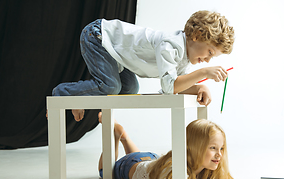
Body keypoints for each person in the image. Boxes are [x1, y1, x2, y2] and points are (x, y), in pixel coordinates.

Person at [52, 10, 235, 122]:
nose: (209, 60)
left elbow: (174, 87)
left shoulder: (184, 58)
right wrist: (203, 73)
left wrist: (199, 87)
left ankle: (81, 95)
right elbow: (170, 86)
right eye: (210, 52)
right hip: (99, 36)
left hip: (118, 55)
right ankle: (65, 93)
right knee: (111, 86)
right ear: (196, 35)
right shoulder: (170, 45)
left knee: (130, 88)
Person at [99, 117, 282, 179]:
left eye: (221, 148)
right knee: (104, 171)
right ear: (194, 147)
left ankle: (125, 137)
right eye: (212, 148)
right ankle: (115, 137)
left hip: (152, 160)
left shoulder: (203, 165)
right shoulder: (176, 169)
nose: (219, 154)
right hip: (128, 167)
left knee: (145, 162)